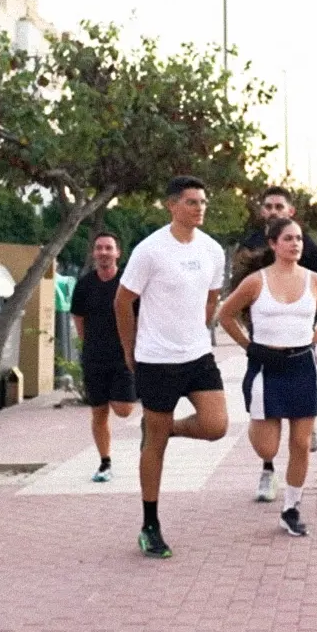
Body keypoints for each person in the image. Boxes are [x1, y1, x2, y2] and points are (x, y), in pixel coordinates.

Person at [116, 175, 229, 559]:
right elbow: (122, 301)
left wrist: (198, 329)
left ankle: (163, 430)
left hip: (197, 355)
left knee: (216, 426)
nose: (199, 208)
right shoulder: (150, 250)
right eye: (192, 202)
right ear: (172, 206)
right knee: (155, 448)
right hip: (156, 359)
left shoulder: (213, 250)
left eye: (202, 202)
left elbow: (211, 298)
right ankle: (150, 524)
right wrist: (130, 351)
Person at [217, 218, 317, 538]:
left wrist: (312, 340)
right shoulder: (256, 282)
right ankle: (262, 442)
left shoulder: (315, 281)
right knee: (268, 447)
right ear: (273, 244)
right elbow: (225, 315)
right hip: (267, 368)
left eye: (299, 238)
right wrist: (250, 347)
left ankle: (291, 508)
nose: (295, 244)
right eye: (288, 238)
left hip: (302, 367)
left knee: (299, 443)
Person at [238, 185, 317, 456]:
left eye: (280, 207)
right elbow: (238, 287)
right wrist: (249, 339)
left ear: (291, 211)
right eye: (269, 206)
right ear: (262, 211)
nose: (274, 211)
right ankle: (267, 465)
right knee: (265, 412)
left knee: (303, 394)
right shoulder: (250, 244)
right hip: (263, 334)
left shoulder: (307, 247)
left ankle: (307, 423)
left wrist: (312, 334)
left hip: (300, 333)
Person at [70, 232, 138, 483]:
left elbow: (139, 317)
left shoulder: (127, 284)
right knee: (98, 412)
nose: (103, 252)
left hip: (123, 356)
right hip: (94, 358)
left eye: (109, 248)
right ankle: (105, 462)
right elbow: (79, 319)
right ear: (93, 253)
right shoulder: (85, 285)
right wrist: (89, 346)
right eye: (99, 248)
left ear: (118, 253)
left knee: (123, 409)